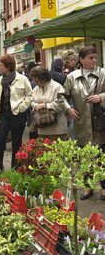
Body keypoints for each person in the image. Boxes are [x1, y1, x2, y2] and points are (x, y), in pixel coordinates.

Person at [62, 46, 105, 201]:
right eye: (90, 58)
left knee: (101, 156)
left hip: (101, 123)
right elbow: (62, 97)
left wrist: (101, 97)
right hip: (82, 123)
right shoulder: (72, 77)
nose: (94, 60)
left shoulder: (102, 73)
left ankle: (104, 188)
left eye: (95, 57)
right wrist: (69, 110)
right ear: (81, 60)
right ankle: (88, 187)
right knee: (85, 158)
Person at [0, 54, 32, 171]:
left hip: (18, 114)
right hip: (3, 114)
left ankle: (16, 168)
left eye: (0, 65)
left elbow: (29, 95)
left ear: (8, 66)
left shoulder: (22, 79)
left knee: (16, 142)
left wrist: (22, 108)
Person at [31, 66, 67, 141]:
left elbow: (61, 104)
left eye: (37, 80)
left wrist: (45, 105)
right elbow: (31, 101)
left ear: (43, 78)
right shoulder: (36, 89)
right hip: (41, 127)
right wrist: (35, 106)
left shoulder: (57, 87)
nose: (35, 82)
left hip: (57, 128)